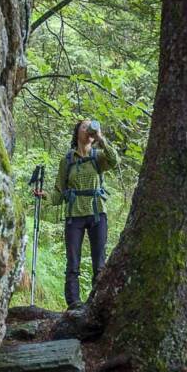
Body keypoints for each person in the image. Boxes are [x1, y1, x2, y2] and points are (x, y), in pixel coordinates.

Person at [35, 119, 119, 308]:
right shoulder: (67, 161)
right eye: (84, 126)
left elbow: (115, 160)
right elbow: (59, 191)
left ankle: (96, 303)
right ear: (77, 133)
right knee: (73, 262)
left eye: (91, 126)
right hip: (74, 214)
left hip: (97, 211)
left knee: (100, 263)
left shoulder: (99, 156)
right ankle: (73, 304)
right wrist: (46, 197)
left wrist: (101, 139)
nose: (88, 129)